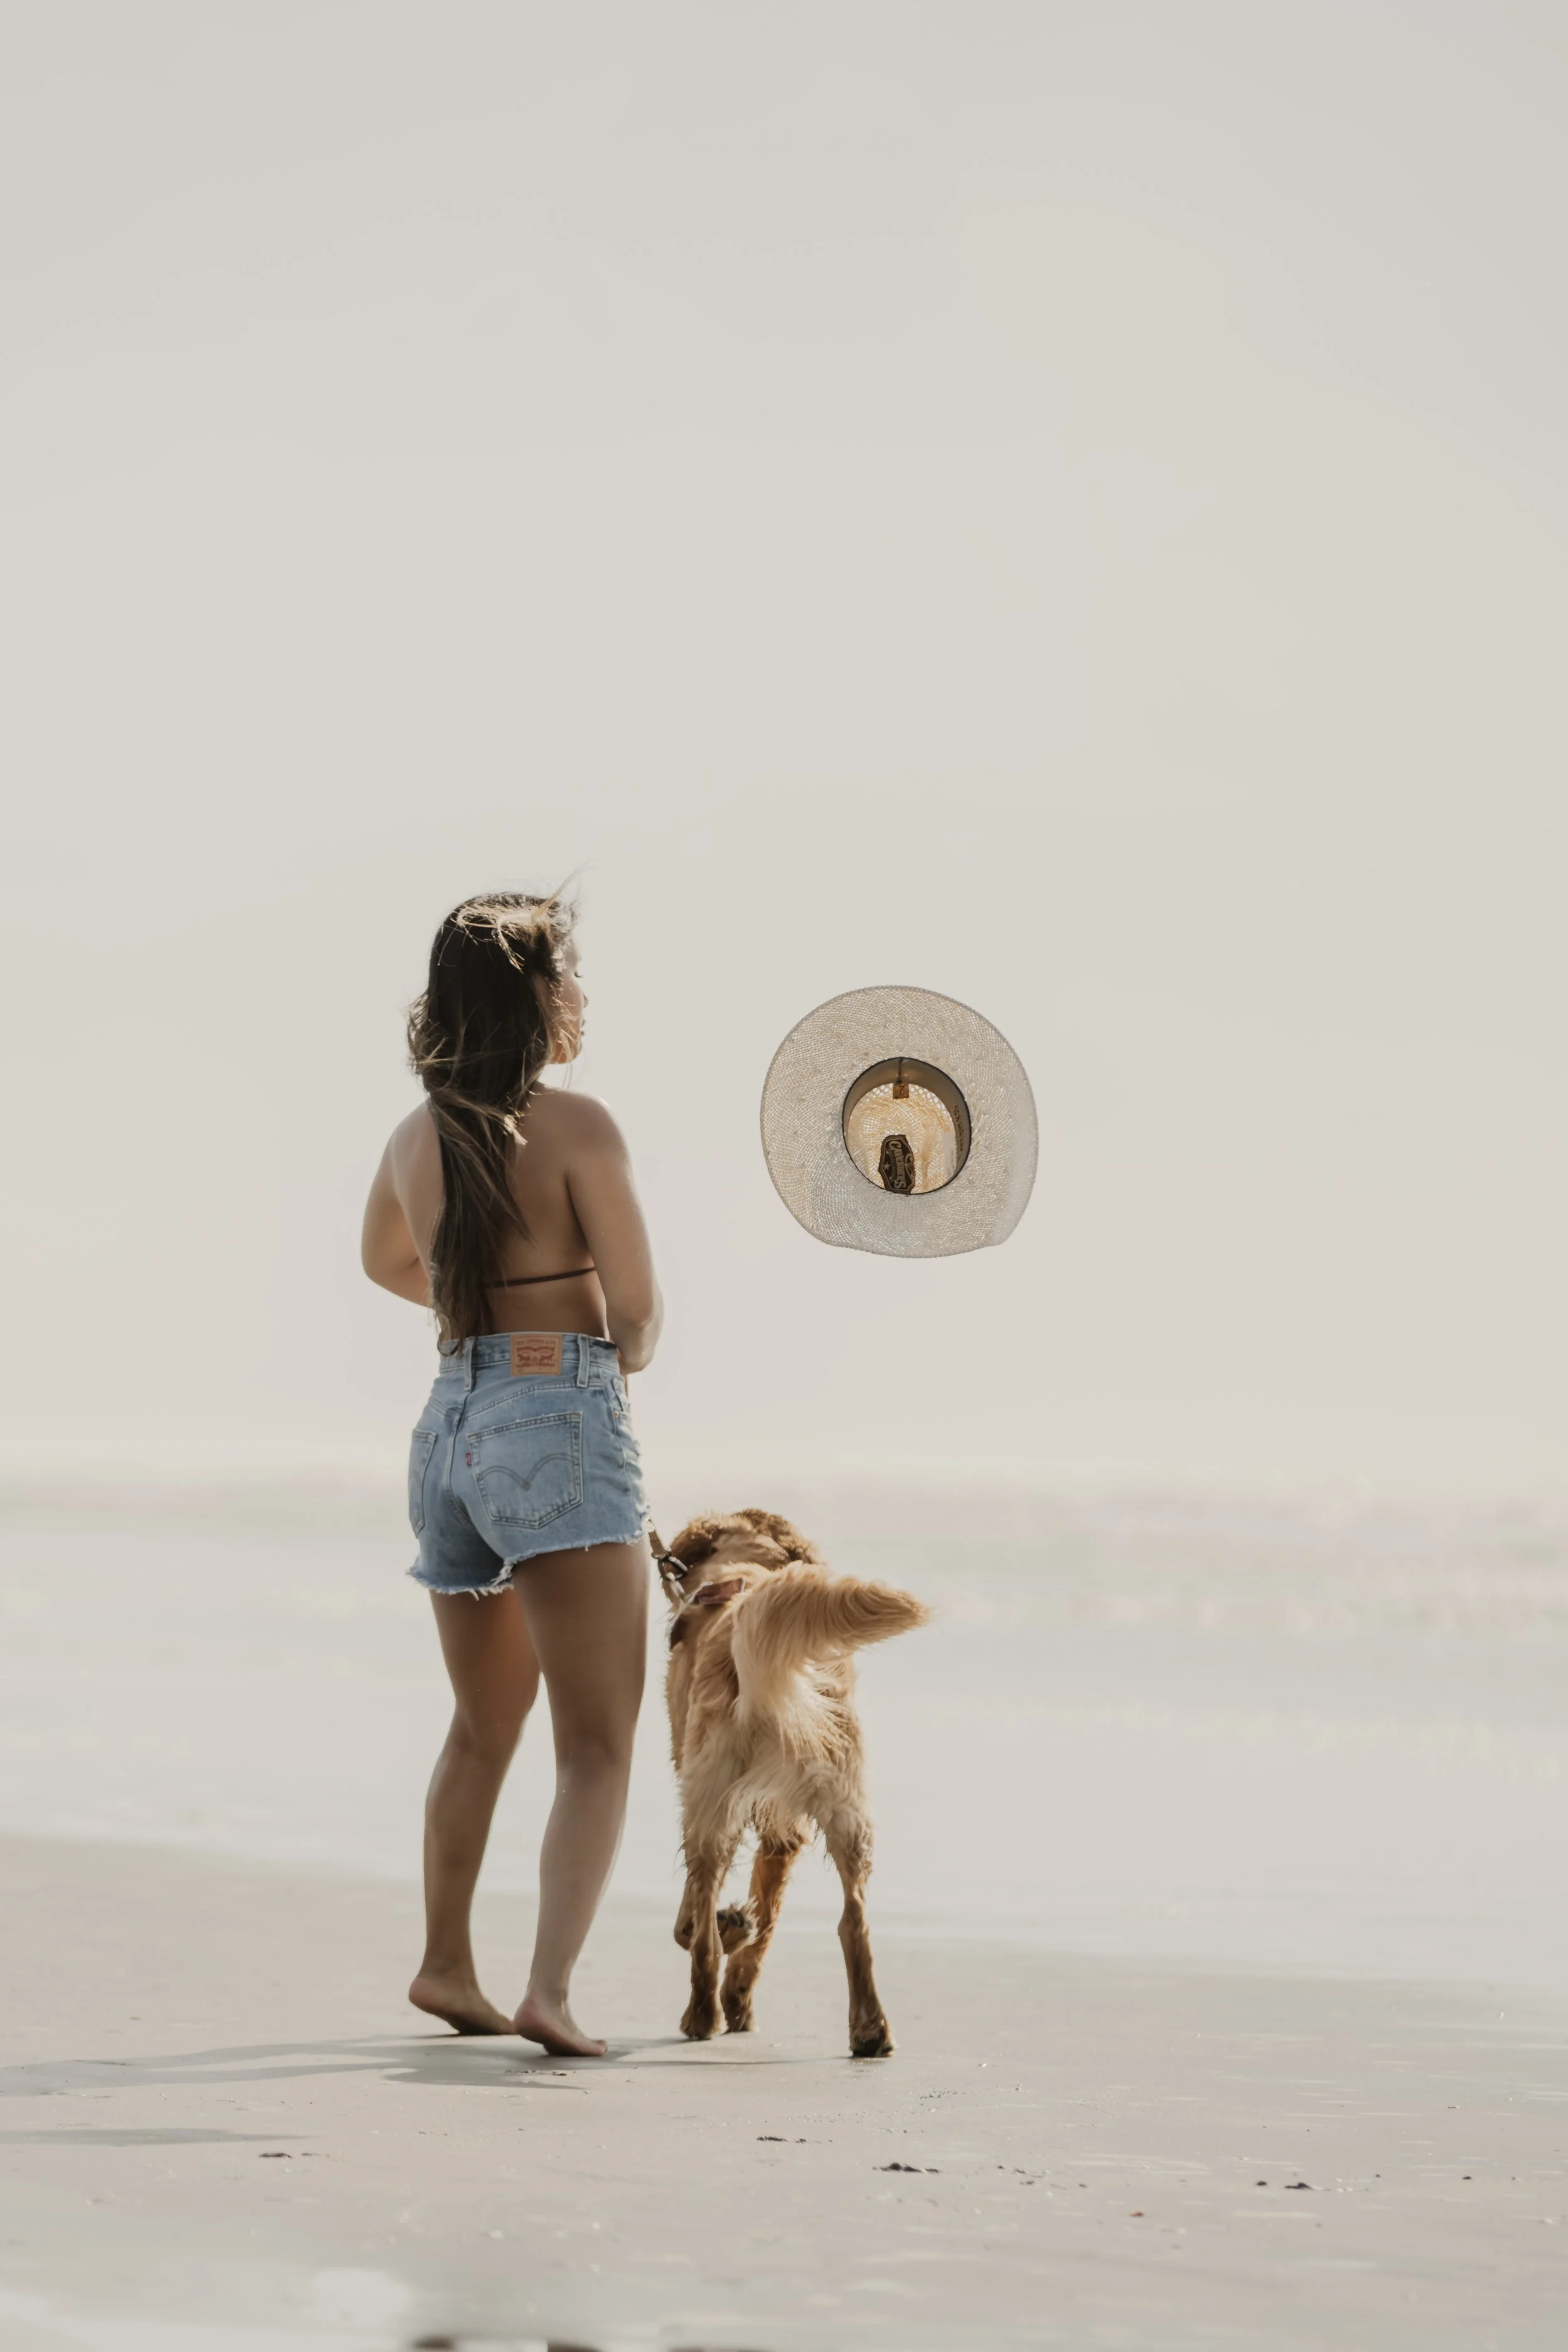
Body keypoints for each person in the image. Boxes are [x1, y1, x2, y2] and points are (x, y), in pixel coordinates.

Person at [361, 893, 661, 2056]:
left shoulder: (413, 1136)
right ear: (535, 996)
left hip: (451, 1419)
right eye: (572, 976)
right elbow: (635, 1309)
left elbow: (386, 1260)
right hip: (557, 1413)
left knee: (484, 1724)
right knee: (597, 1741)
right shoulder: (581, 1127)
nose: (584, 997)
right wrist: (602, 1363)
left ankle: (446, 1964)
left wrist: (480, 1321)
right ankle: (549, 1990)